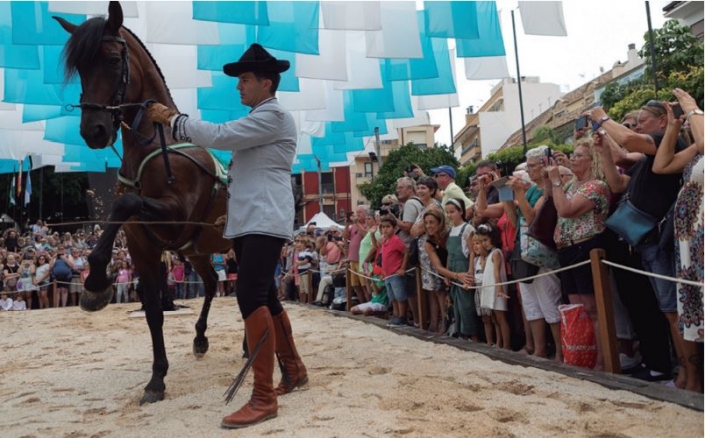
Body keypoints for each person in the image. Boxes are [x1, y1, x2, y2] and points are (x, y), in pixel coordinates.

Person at [148, 43, 306, 429]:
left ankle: (264, 396)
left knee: (251, 297)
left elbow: (218, 135)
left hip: (263, 218)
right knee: (265, 296)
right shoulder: (265, 116)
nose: (238, 86)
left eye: (245, 79)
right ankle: (294, 370)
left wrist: (173, 120)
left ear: (266, 83)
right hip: (256, 217)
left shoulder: (272, 116)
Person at [592, 100, 686, 382]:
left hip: (656, 238)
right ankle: (680, 370)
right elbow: (619, 184)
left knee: (670, 310)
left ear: (662, 122)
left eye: (643, 120)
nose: (638, 125)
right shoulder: (649, 157)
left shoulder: (667, 142)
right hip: (642, 239)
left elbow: (629, 139)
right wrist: (604, 151)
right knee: (662, 309)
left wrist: (602, 117)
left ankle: (685, 372)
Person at [652, 88, 703, 392]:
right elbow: (661, 165)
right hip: (688, 241)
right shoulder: (696, 146)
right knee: (694, 311)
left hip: (701, 239)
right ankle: (695, 380)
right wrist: (672, 127)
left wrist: (692, 107)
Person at [548, 138, 611, 368]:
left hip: (585, 247)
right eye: (572, 155)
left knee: (594, 308)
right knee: (577, 308)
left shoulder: (596, 186)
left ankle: (603, 361)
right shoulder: (570, 185)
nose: (572, 159)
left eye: (578, 156)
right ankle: (584, 355)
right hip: (566, 249)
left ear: (591, 161)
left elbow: (565, 210)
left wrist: (556, 181)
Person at [476, 224, 511, 350]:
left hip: (497, 289)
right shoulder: (490, 254)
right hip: (492, 289)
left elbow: (497, 273)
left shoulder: (496, 252)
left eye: (485, 240)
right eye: (481, 241)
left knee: (501, 318)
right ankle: (499, 343)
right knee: (496, 318)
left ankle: (506, 346)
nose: (483, 244)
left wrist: (500, 289)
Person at [379, 215, 409, 327]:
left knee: (400, 297)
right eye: (383, 227)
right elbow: (385, 258)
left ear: (394, 228)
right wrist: (382, 272)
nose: (385, 229)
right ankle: (396, 315)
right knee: (393, 297)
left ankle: (402, 316)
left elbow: (405, 252)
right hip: (388, 275)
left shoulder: (396, 240)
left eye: (388, 226)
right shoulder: (385, 241)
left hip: (395, 274)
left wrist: (402, 268)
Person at [343, 206, 369, 304]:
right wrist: (346, 225)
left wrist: (357, 223)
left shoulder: (366, 224)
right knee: (356, 285)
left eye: (360, 212)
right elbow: (345, 236)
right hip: (353, 259)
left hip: (361, 259)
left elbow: (365, 235)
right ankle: (362, 304)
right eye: (356, 212)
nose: (357, 214)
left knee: (364, 285)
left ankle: (368, 304)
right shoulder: (353, 226)